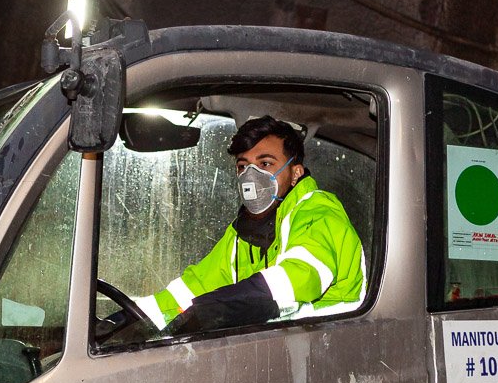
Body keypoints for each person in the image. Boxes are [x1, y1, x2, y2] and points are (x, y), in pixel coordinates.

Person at [134, 115, 366, 333]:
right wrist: (129, 320)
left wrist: (214, 309)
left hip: (336, 347)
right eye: (243, 166)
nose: (250, 176)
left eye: (265, 164)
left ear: (295, 173)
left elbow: (300, 277)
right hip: (276, 348)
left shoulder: (319, 210)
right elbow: (193, 288)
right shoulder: (242, 231)